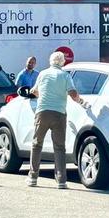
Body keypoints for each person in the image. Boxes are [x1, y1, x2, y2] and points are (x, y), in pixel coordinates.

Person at [26, 51, 89, 189]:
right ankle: (61, 180)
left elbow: (35, 92)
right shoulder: (65, 76)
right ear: (63, 62)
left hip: (42, 112)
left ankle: (33, 177)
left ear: (50, 61)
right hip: (59, 113)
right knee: (59, 147)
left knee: (37, 144)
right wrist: (81, 101)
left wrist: (37, 93)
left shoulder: (42, 74)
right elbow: (73, 93)